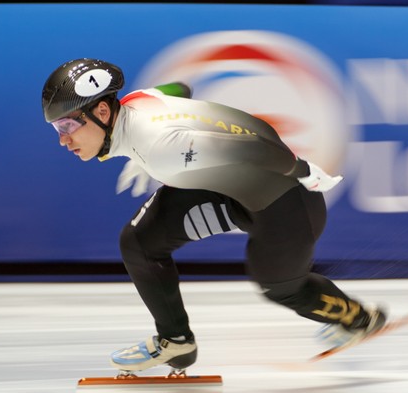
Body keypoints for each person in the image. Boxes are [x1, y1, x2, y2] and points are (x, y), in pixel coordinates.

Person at [41, 58, 386, 373]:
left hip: (287, 202)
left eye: (68, 125)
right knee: (139, 241)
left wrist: (304, 170)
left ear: (102, 111)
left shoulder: (161, 147)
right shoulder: (136, 102)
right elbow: (179, 90)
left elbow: (253, 148)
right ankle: (176, 342)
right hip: (231, 190)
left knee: (280, 287)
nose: (63, 140)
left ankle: (359, 318)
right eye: (58, 128)